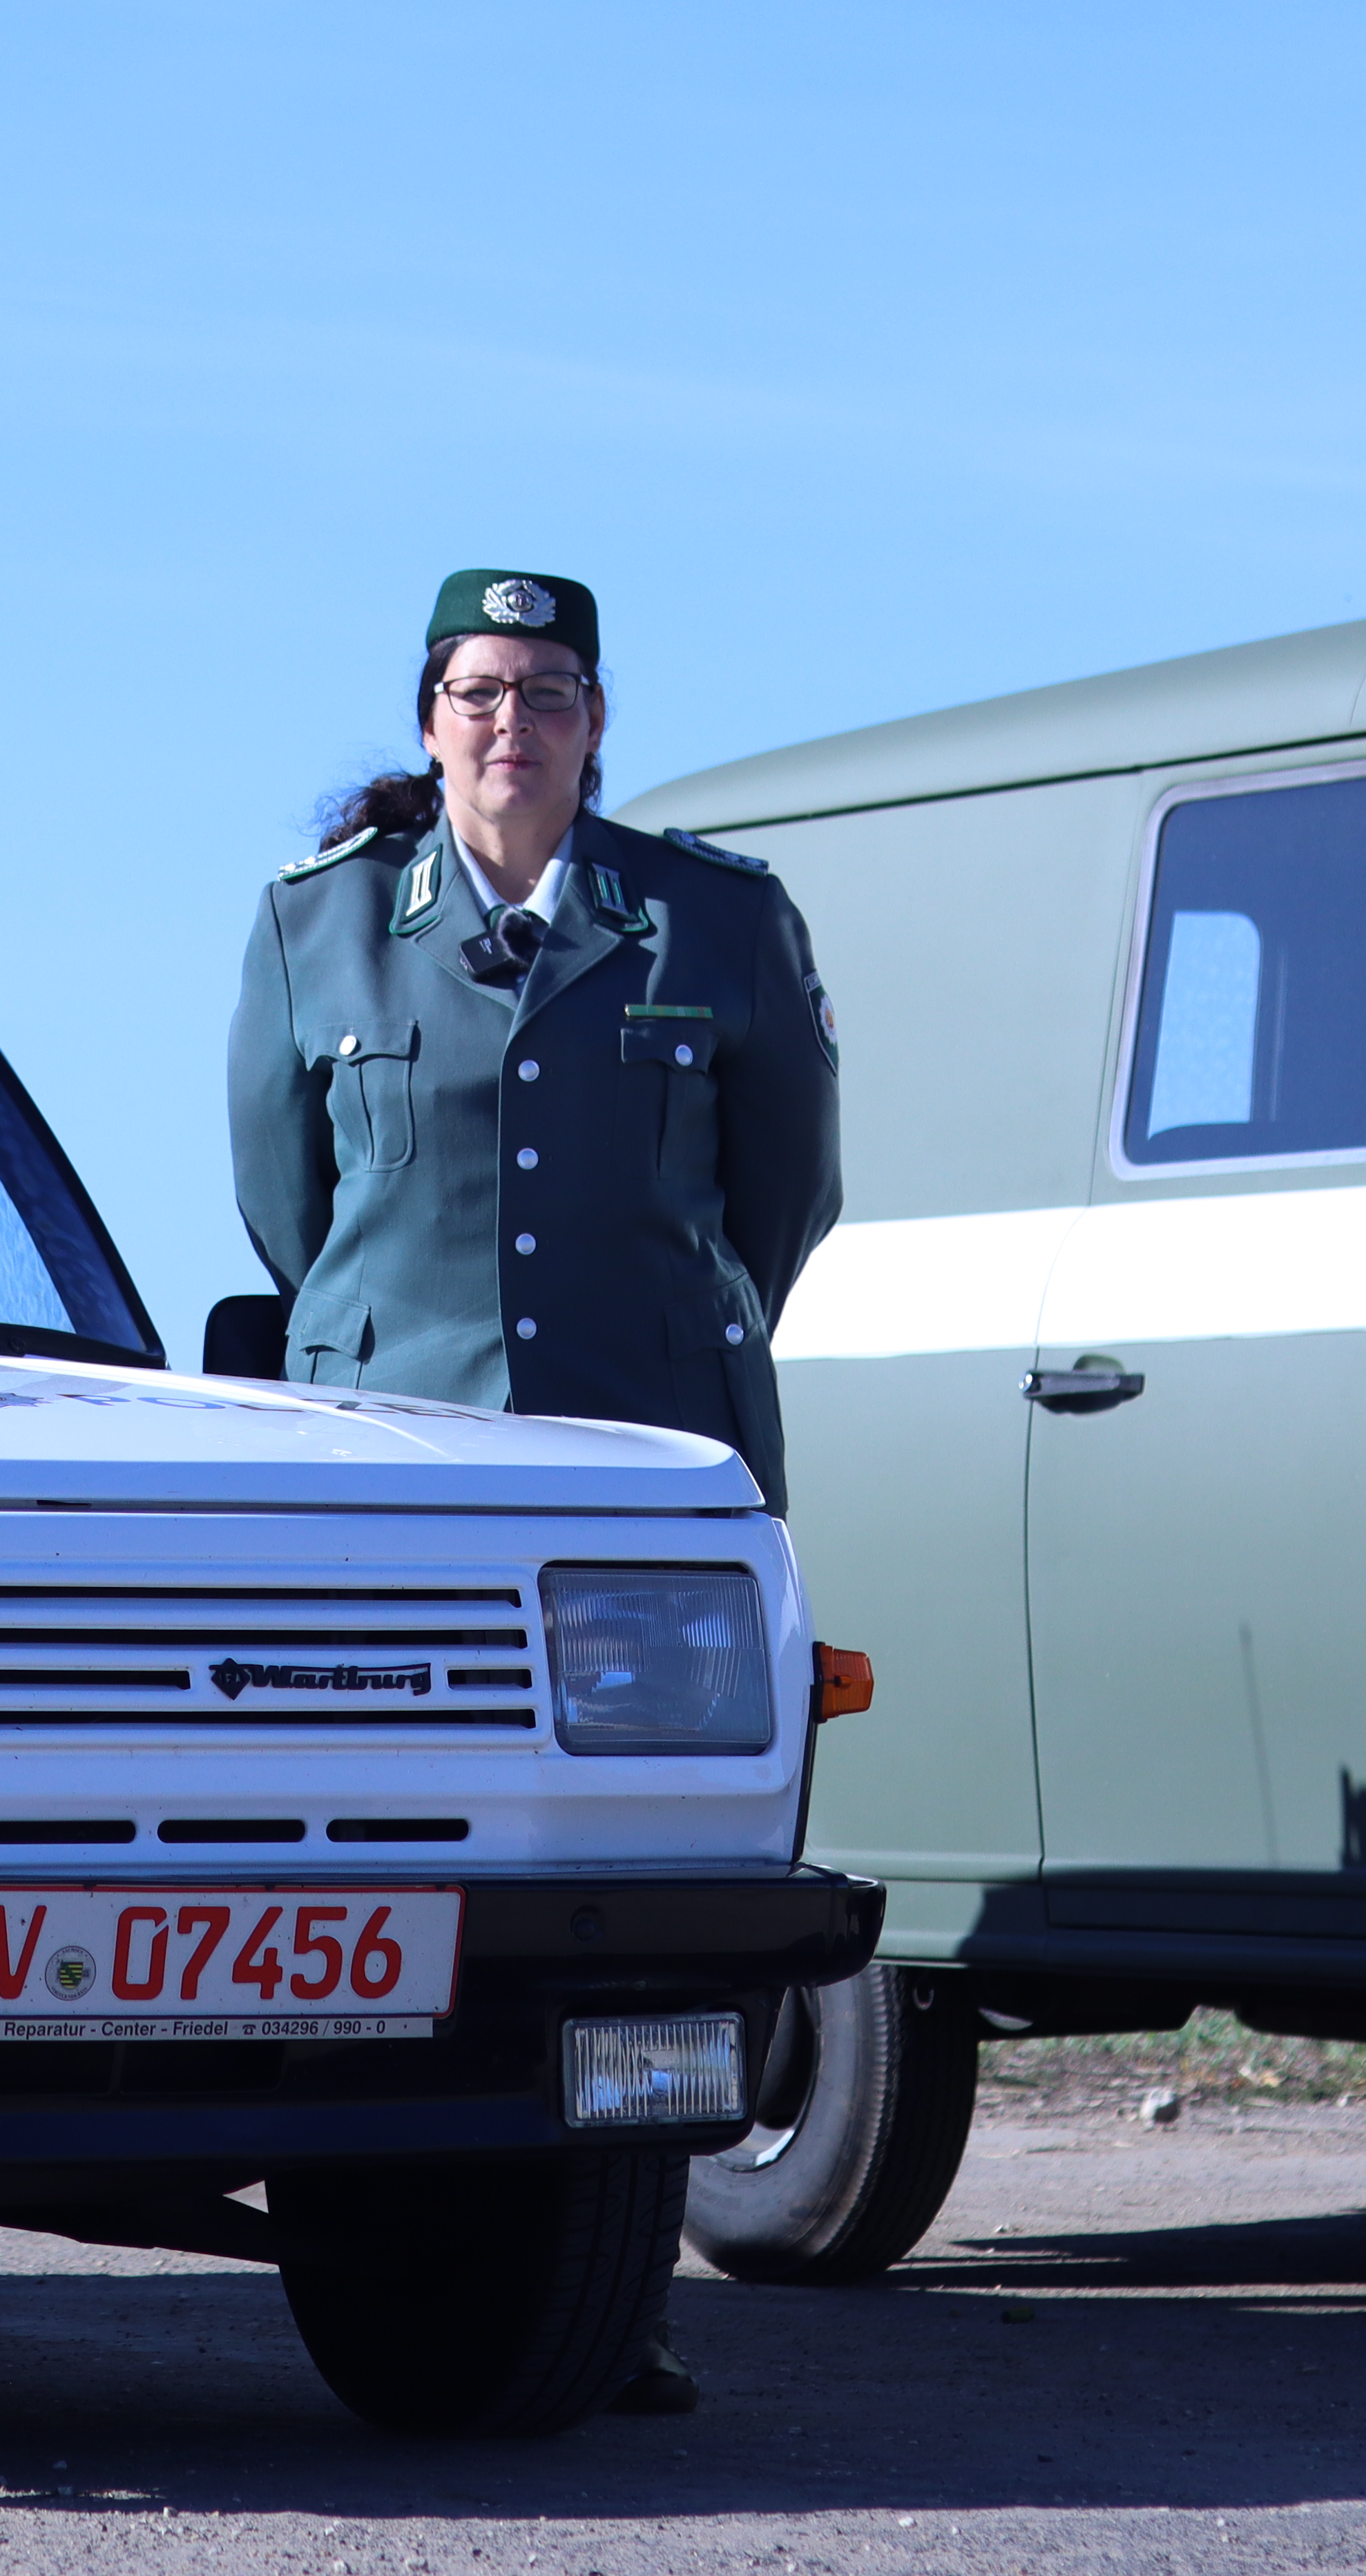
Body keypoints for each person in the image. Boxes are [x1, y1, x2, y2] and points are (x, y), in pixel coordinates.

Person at [224, 568, 842, 2414]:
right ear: (433, 722)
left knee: (630, 1889)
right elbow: (288, 1213)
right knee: (384, 1871)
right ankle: (402, 2258)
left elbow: (779, 1199)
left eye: (551, 691)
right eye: (482, 691)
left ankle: (610, 2299)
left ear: (595, 723)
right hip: (383, 1488)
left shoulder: (713, 925)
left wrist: (663, 1370)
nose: (515, 724)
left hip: (633, 1475)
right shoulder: (316, 930)